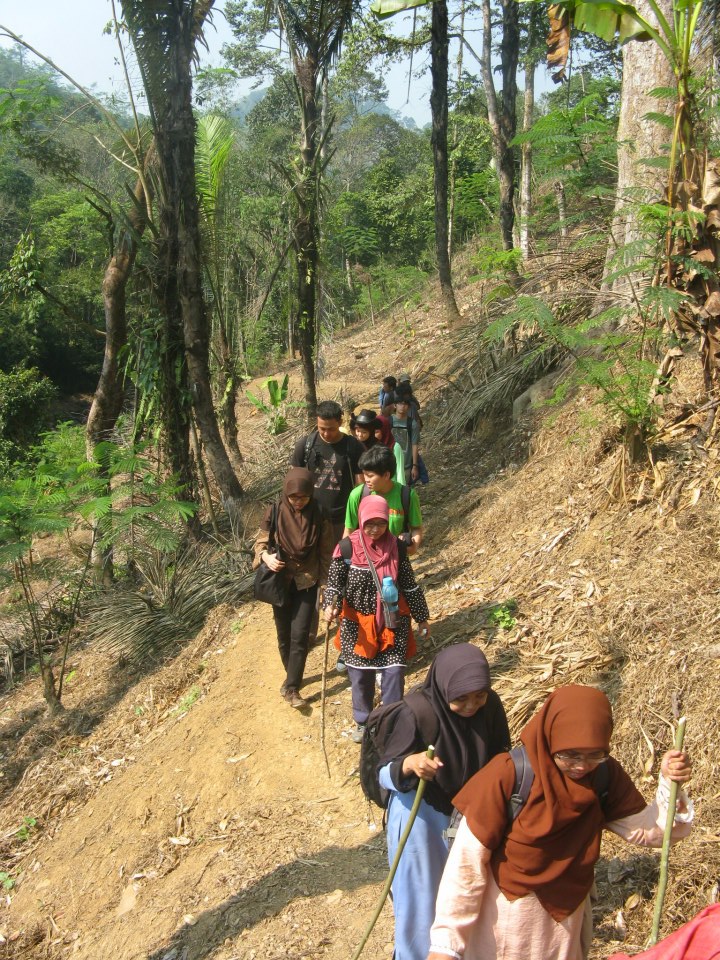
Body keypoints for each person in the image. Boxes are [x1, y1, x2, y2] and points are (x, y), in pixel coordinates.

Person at [427, 685, 694, 960]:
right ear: (551, 738)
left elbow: (650, 832)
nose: (581, 765)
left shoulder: (603, 776)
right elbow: (466, 867)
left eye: (594, 754)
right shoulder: (509, 775)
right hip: (506, 922)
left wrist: (668, 787)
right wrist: (446, 946)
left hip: (565, 922)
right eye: (570, 755)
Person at [378, 644, 511, 960]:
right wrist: (409, 765)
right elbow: (381, 773)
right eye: (461, 698)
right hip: (421, 819)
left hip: (469, 815)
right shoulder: (413, 712)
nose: (471, 705)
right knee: (422, 899)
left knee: (465, 892)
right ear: (443, 686)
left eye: (478, 695)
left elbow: (499, 755)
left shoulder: (490, 707)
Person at [323, 496, 430, 742]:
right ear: (360, 520)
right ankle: (363, 720)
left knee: (394, 673)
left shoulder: (396, 547)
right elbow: (335, 584)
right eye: (369, 523)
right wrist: (330, 605)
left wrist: (422, 617)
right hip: (357, 625)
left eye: (380, 523)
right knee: (360, 676)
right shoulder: (347, 548)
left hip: (393, 622)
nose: (374, 529)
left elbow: (409, 585)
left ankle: (391, 720)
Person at [253, 468, 334, 708]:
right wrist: (266, 557)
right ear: (285, 494)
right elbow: (259, 543)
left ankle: (292, 687)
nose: (298, 502)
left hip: (307, 580)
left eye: (303, 497)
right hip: (280, 582)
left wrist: (326, 587)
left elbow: (326, 553)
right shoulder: (275, 511)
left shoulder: (320, 513)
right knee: (284, 635)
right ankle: (291, 677)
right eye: (293, 497)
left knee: (300, 636)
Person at [290, 400, 364, 543]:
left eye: (331, 429)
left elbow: (361, 485)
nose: (326, 433)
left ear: (340, 422)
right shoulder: (305, 445)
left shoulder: (353, 447)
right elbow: (293, 483)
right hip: (310, 519)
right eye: (321, 428)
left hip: (343, 521)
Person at [344, 446, 423, 554]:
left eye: (370, 476)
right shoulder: (357, 495)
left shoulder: (407, 495)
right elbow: (349, 530)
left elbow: (416, 528)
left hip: (395, 560)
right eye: (365, 474)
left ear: (386, 475)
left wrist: (413, 547)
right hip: (365, 560)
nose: (366, 480)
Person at [392, 396, 421, 486]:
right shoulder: (388, 421)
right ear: (395, 405)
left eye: (405, 404)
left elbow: (414, 444)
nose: (402, 406)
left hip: (406, 466)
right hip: (389, 465)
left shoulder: (412, 424)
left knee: (403, 492)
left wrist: (415, 466)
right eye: (400, 403)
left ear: (408, 407)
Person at [375, 414, 406, 486]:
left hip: (392, 489)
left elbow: (400, 471)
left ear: (384, 431)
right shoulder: (371, 447)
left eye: (376, 432)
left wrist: (401, 492)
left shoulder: (395, 447)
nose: (374, 435)